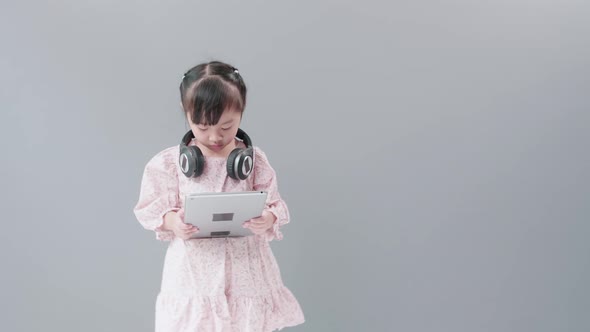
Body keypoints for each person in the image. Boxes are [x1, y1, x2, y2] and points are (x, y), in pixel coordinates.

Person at [133, 60, 305, 331]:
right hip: (193, 276)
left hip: (247, 273)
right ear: (186, 113)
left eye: (226, 127)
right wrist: (172, 222)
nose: (214, 136)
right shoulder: (169, 164)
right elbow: (149, 210)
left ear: (241, 111)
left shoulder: (254, 161)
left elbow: (275, 204)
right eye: (202, 127)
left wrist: (269, 218)